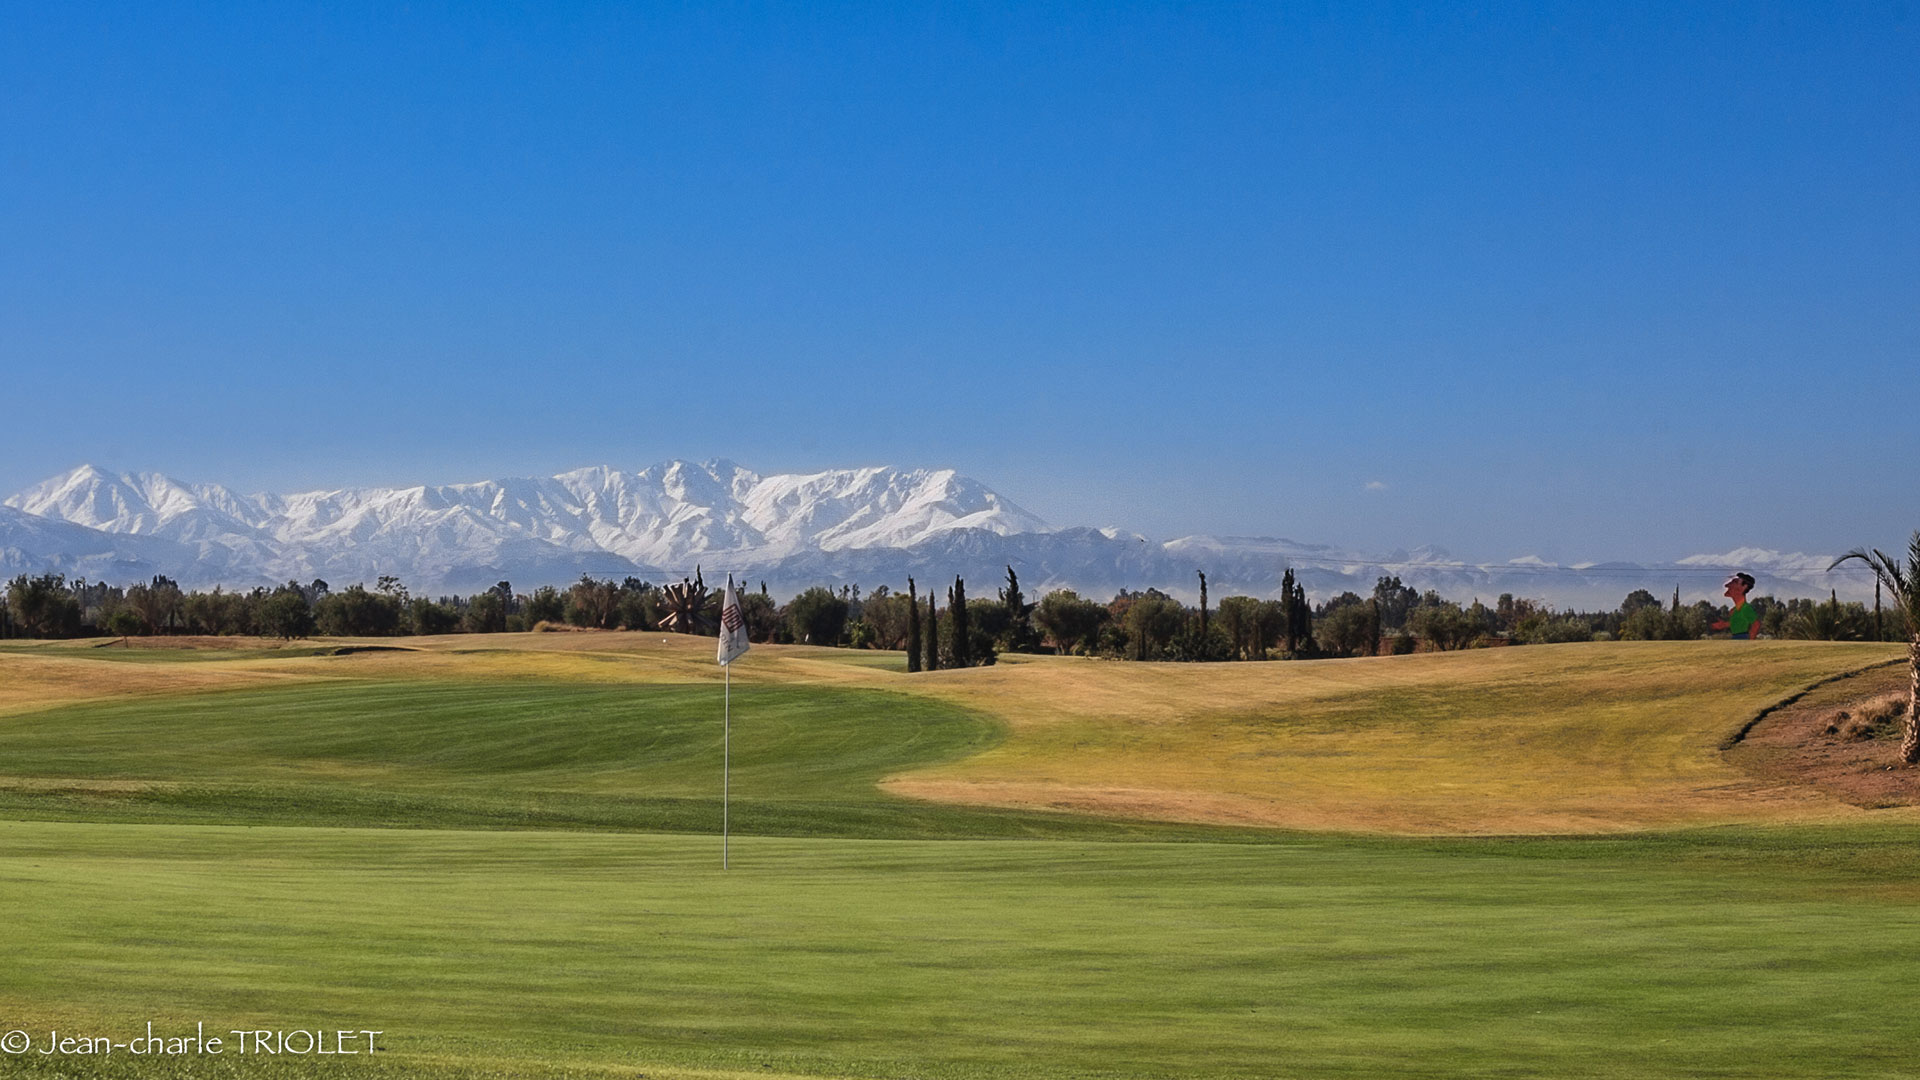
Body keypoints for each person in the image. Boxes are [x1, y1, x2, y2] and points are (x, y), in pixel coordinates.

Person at [1711, 572, 1759, 640]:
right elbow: (1737, 623)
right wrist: (1723, 625)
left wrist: (1749, 642)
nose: (1727, 585)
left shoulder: (1745, 608)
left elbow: (1756, 624)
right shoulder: (1734, 610)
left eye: (1735, 582)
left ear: (1744, 587)